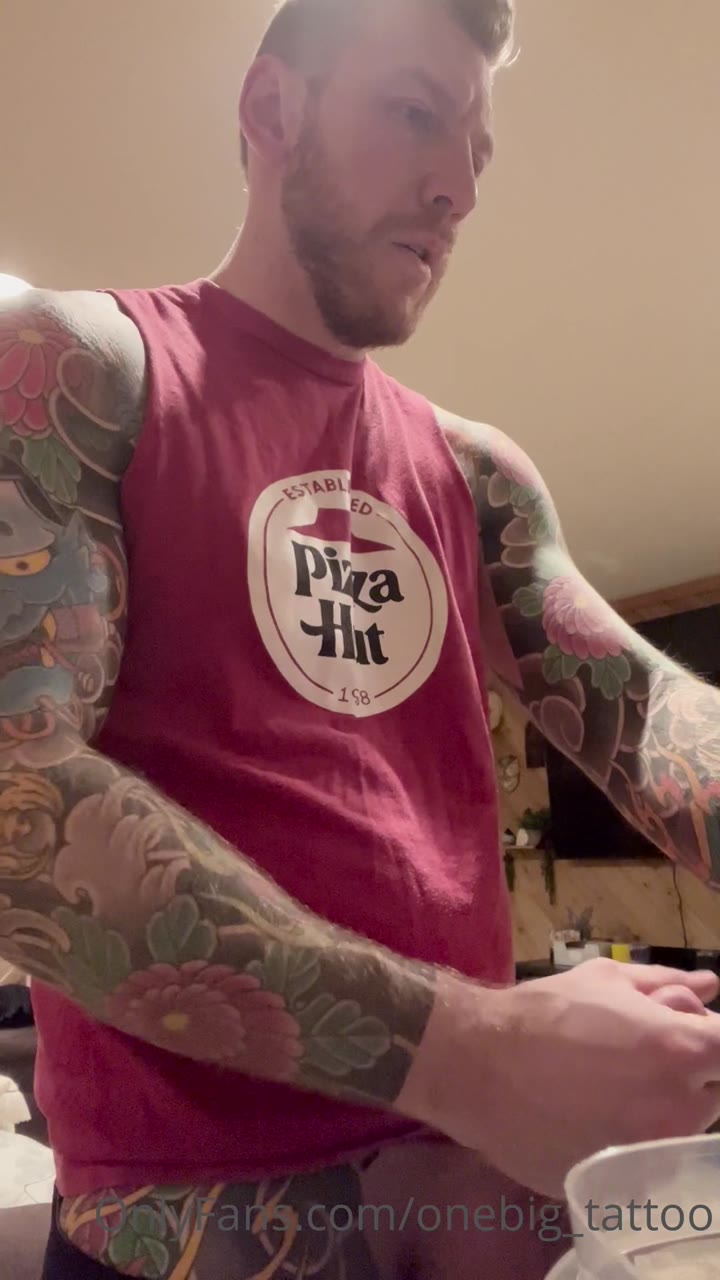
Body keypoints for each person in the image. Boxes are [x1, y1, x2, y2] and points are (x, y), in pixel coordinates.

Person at [1, 0, 720, 1276]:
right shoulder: (81, 364)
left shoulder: (478, 474)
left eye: (478, 154)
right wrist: (475, 1052)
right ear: (272, 108)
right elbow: (16, 791)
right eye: (415, 113)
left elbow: (652, 711)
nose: (459, 190)